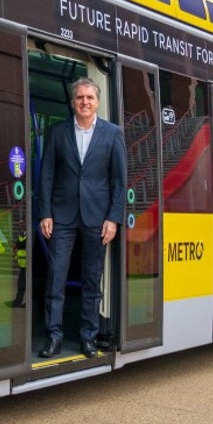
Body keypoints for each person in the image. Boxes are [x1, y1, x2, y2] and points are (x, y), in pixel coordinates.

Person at [36, 78, 127, 359]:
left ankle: (88, 336)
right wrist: (45, 213)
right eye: (79, 98)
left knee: (91, 279)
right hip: (61, 216)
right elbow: (47, 175)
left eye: (89, 97)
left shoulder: (113, 134)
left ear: (97, 102)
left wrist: (113, 219)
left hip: (97, 219)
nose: (84, 102)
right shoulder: (57, 132)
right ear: (72, 102)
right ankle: (54, 337)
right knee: (56, 277)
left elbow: (119, 181)